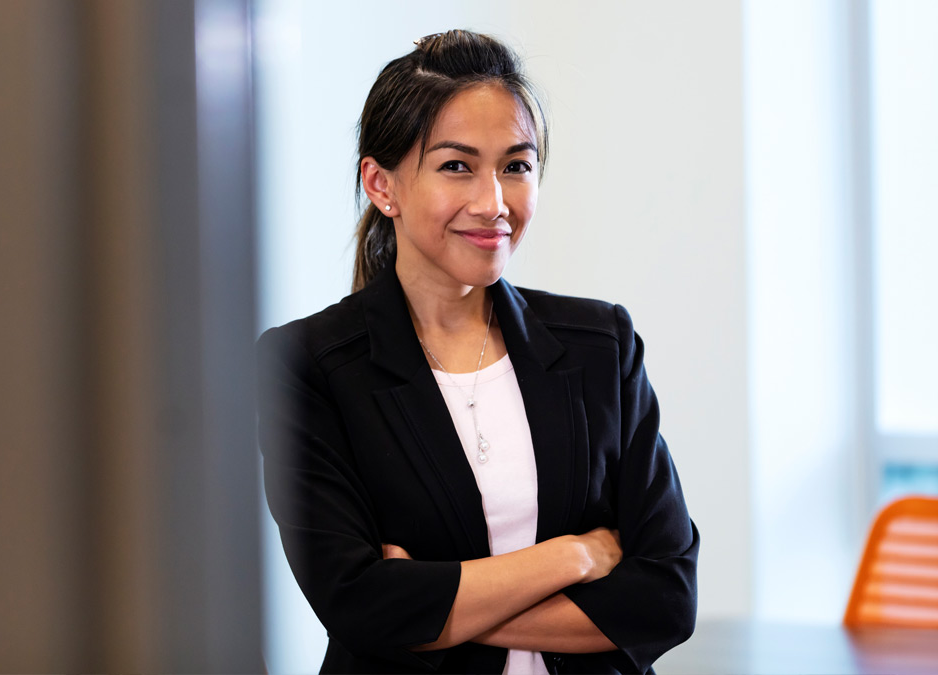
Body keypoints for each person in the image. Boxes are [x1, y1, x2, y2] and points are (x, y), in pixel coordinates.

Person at [257, 29, 699, 674]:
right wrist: (572, 558)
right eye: (456, 166)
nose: (494, 203)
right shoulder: (308, 364)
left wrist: (435, 605)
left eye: (516, 166)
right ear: (383, 186)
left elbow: (665, 599)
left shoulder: (601, 345)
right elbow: (361, 607)